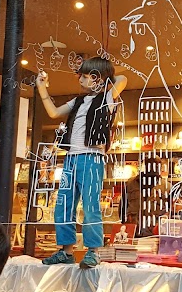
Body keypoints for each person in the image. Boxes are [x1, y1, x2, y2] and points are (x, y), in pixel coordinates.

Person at [36, 57, 127, 268]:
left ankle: (93, 251)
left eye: (86, 76)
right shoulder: (78, 101)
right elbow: (53, 112)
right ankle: (66, 251)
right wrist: (42, 88)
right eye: (83, 75)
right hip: (71, 158)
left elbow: (121, 78)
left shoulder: (107, 97)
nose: (81, 80)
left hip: (92, 157)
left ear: (98, 78)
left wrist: (103, 75)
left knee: (90, 205)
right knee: (63, 204)